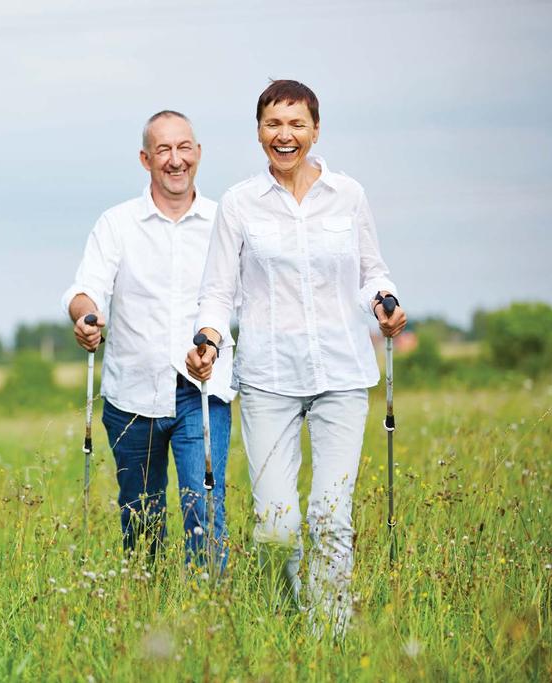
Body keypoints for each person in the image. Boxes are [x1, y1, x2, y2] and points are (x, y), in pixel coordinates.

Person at [186, 80, 406, 631]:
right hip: (269, 377)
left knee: (331, 516)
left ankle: (327, 635)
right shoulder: (239, 203)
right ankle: (287, 616)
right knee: (275, 524)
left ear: (315, 129)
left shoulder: (348, 195)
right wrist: (208, 340)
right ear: (259, 131)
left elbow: (369, 271)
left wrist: (385, 301)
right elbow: (216, 290)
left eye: (296, 125)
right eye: (273, 125)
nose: (284, 136)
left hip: (340, 373)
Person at [61, 110, 234, 568]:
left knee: (204, 508)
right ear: (145, 159)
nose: (175, 160)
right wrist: (86, 318)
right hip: (132, 392)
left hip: (203, 390)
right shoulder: (117, 223)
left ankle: (208, 613)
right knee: (141, 517)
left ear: (197, 154)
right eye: (163, 150)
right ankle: (145, 608)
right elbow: (86, 290)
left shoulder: (224, 221)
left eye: (184, 148)